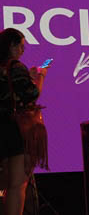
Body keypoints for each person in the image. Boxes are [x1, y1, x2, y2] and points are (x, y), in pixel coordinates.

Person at [0, 28, 49, 215]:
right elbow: (32, 94)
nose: (23, 50)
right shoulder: (15, 66)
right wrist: (40, 76)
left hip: (4, 127)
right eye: (21, 46)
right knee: (18, 185)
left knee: (8, 183)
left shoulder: (3, 67)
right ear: (11, 46)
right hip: (16, 130)